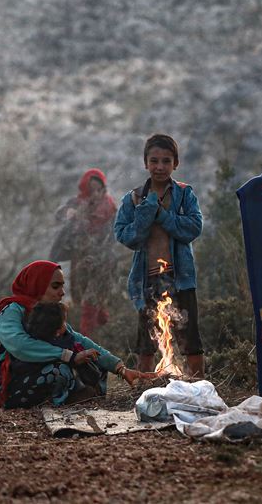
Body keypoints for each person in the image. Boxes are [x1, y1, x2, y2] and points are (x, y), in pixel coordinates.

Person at [0, 260, 155, 409]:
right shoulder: (12, 311)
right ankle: (68, 398)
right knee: (60, 370)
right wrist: (68, 356)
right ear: (37, 285)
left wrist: (120, 368)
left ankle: (80, 395)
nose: (62, 292)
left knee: (92, 359)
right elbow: (19, 345)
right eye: (55, 286)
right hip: (12, 385)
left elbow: (79, 341)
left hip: (37, 370)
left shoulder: (46, 312)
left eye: (62, 286)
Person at [114, 134, 205, 378]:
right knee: (147, 343)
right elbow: (123, 234)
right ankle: (145, 389)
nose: (160, 167)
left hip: (180, 278)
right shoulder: (133, 198)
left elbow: (194, 227)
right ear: (145, 163)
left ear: (176, 163)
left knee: (190, 340)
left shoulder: (184, 194)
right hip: (147, 280)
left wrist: (162, 216)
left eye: (166, 161)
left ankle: (199, 387)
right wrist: (144, 217)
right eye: (154, 161)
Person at [49, 168, 118, 337]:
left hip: (102, 259)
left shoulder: (109, 206)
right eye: (91, 190)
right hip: (79, 258)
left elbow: (115, 232)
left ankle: (87, 338)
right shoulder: (77, 202)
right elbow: (60, 214)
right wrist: (69, 213)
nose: (96, 194)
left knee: (91, 299)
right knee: (79, 296)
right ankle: (99, 317)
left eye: (99, 189)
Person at [17, 302, 106, 400]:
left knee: (96, 360)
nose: (66, 325)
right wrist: (74, 358)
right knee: (61, 369)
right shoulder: (42, 346)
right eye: (64, 322)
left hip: (67, 380)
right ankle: (63, 398)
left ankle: (97, 391)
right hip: (30, 386)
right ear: (57, 330)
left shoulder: (66, 339)